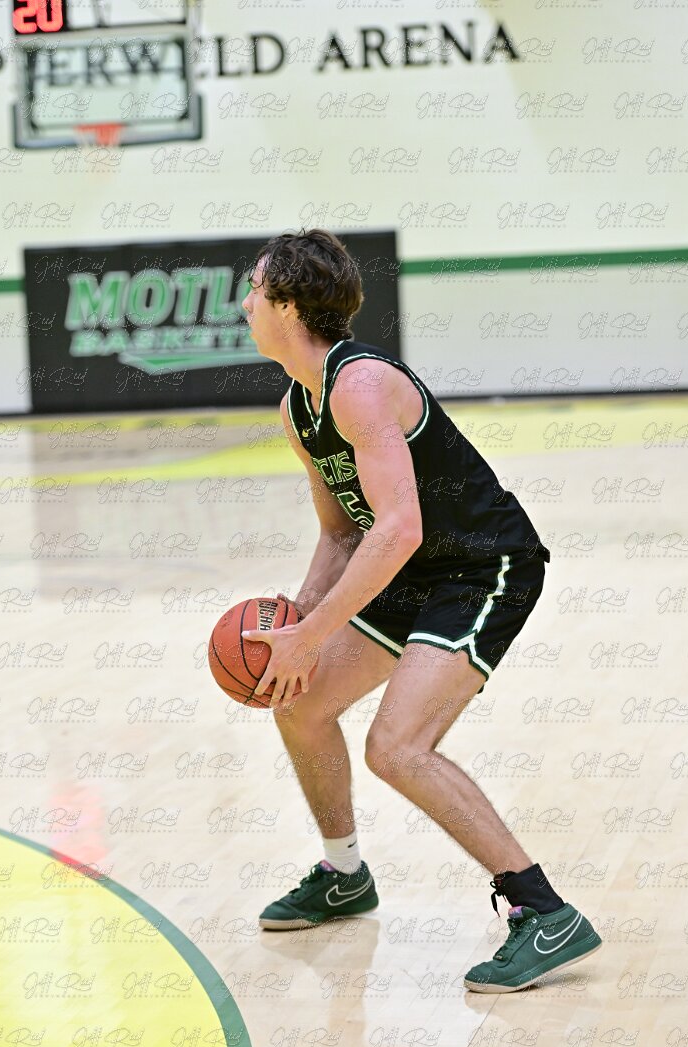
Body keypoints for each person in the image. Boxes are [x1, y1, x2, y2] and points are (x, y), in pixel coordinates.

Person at [240, 228, 601, 992]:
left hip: (481, 565)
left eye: (254, 288)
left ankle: (544, 911)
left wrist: (314, 633)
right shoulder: (298, 407)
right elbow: (343, 533)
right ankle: (344, 876)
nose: (245, 303)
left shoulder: (360, 384)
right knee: (299, 703)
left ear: (289, 305)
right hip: (410, 569)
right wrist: (298, 626)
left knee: (397, 747)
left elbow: (398, 527)